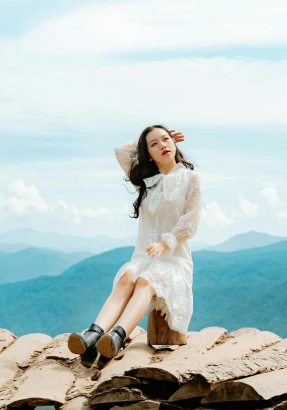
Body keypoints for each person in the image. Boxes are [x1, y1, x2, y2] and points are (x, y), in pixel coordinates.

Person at [66, 125, 204, 361]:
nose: (163, 145)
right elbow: (121, 151)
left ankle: (117, 337)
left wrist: (165, 243)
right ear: (147, 153)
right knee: (126, 278)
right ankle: (92, 335)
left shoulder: (191, 178)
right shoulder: (146, 181)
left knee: (145, 281)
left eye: (166, 139)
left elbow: (190, 221)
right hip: (144, 258)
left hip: (173, 261)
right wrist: (146, 140)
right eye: (154, 144)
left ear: (174, 144)